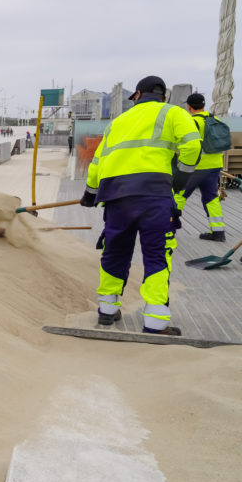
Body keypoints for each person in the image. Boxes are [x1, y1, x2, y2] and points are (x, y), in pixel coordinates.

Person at [81, 75, 201, 336]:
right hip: (153, 195)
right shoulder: (173, 113)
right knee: (157, 254)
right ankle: (156, 323)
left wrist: (91, 192)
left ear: (137, 95)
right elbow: (192, 145)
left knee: (114, 250)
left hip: (116, 197)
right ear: (163, 95)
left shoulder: (118, 122)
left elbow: (98, 160)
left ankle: (107, 310)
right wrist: (180, 179)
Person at [173, 93, 226, 241]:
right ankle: (218, 232)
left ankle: (166, 228)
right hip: (215, 165)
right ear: (203, 105)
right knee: (211, 198)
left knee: (179, 194)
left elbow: (188, 145)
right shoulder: (214, 119)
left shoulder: (191, 122)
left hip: (196, 168)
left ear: (189, 107)